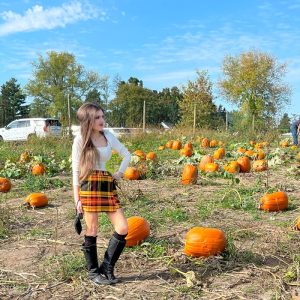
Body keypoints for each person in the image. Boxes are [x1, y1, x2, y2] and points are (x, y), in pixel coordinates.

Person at [72, 102, 131, 285]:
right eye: (97, 117)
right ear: (88, 120)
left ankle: (107, 266)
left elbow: (126, 154)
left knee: (122, 228)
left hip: (106, 184)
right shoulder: (80, 140)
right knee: (92, 229)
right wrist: (77, 200)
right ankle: (93, 273)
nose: (102, 120)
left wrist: (120, 172)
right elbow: (75, 171)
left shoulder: (108, 136)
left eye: (102, 116)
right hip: (89, 186)